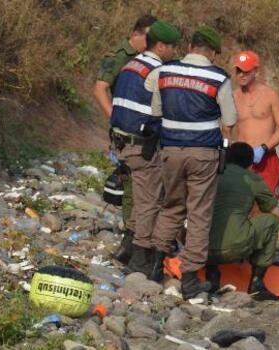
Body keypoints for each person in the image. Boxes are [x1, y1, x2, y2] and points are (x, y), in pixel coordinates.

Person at [148, 26, 238, 298]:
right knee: (198, 213)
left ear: (190, 47)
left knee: (171, 206)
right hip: (202, 154)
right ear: (210, 51)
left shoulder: (164, 71)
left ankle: (154, 267)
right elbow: (230, 120)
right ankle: (190, 280)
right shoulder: (218, 77)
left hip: (171, 150)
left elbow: (155, 111)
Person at [109, 20, 180, 279]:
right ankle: (140, 260)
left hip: (122, 143)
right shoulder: (158, 72)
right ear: (160, 46)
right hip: (143, 146)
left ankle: (128, 248)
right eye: (172, 47)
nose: (174, 52)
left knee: (139, 198)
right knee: (149, 203)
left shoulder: (131, 65)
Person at [94, 14, 157, 264]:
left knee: (135, 185)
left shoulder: (146, 59)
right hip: (126, 132)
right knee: (132, 185)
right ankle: (131, 241)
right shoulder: (120, 56)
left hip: (141, 131)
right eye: (149, 38)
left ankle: (133, 238)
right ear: (137, 34)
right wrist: (116, 119)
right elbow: (100, 88)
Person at [204, 142, 279, 300]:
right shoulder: (251, 178)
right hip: (235, 247)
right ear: (250, 163)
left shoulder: (210, 173)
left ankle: (212, 275)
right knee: (271, 222)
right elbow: (276, 213)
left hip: (201, 249)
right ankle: (257, 283)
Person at [233, 51, 279, 197]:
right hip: (242, 162)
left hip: (266, 160)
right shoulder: (233, 97)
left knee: (269, 208)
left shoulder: (270, 95)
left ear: (256, 71)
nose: (241, 75)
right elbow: (226, 129)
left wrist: (264, 148)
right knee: (242, 207)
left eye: (246, 71)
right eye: (238, 70)